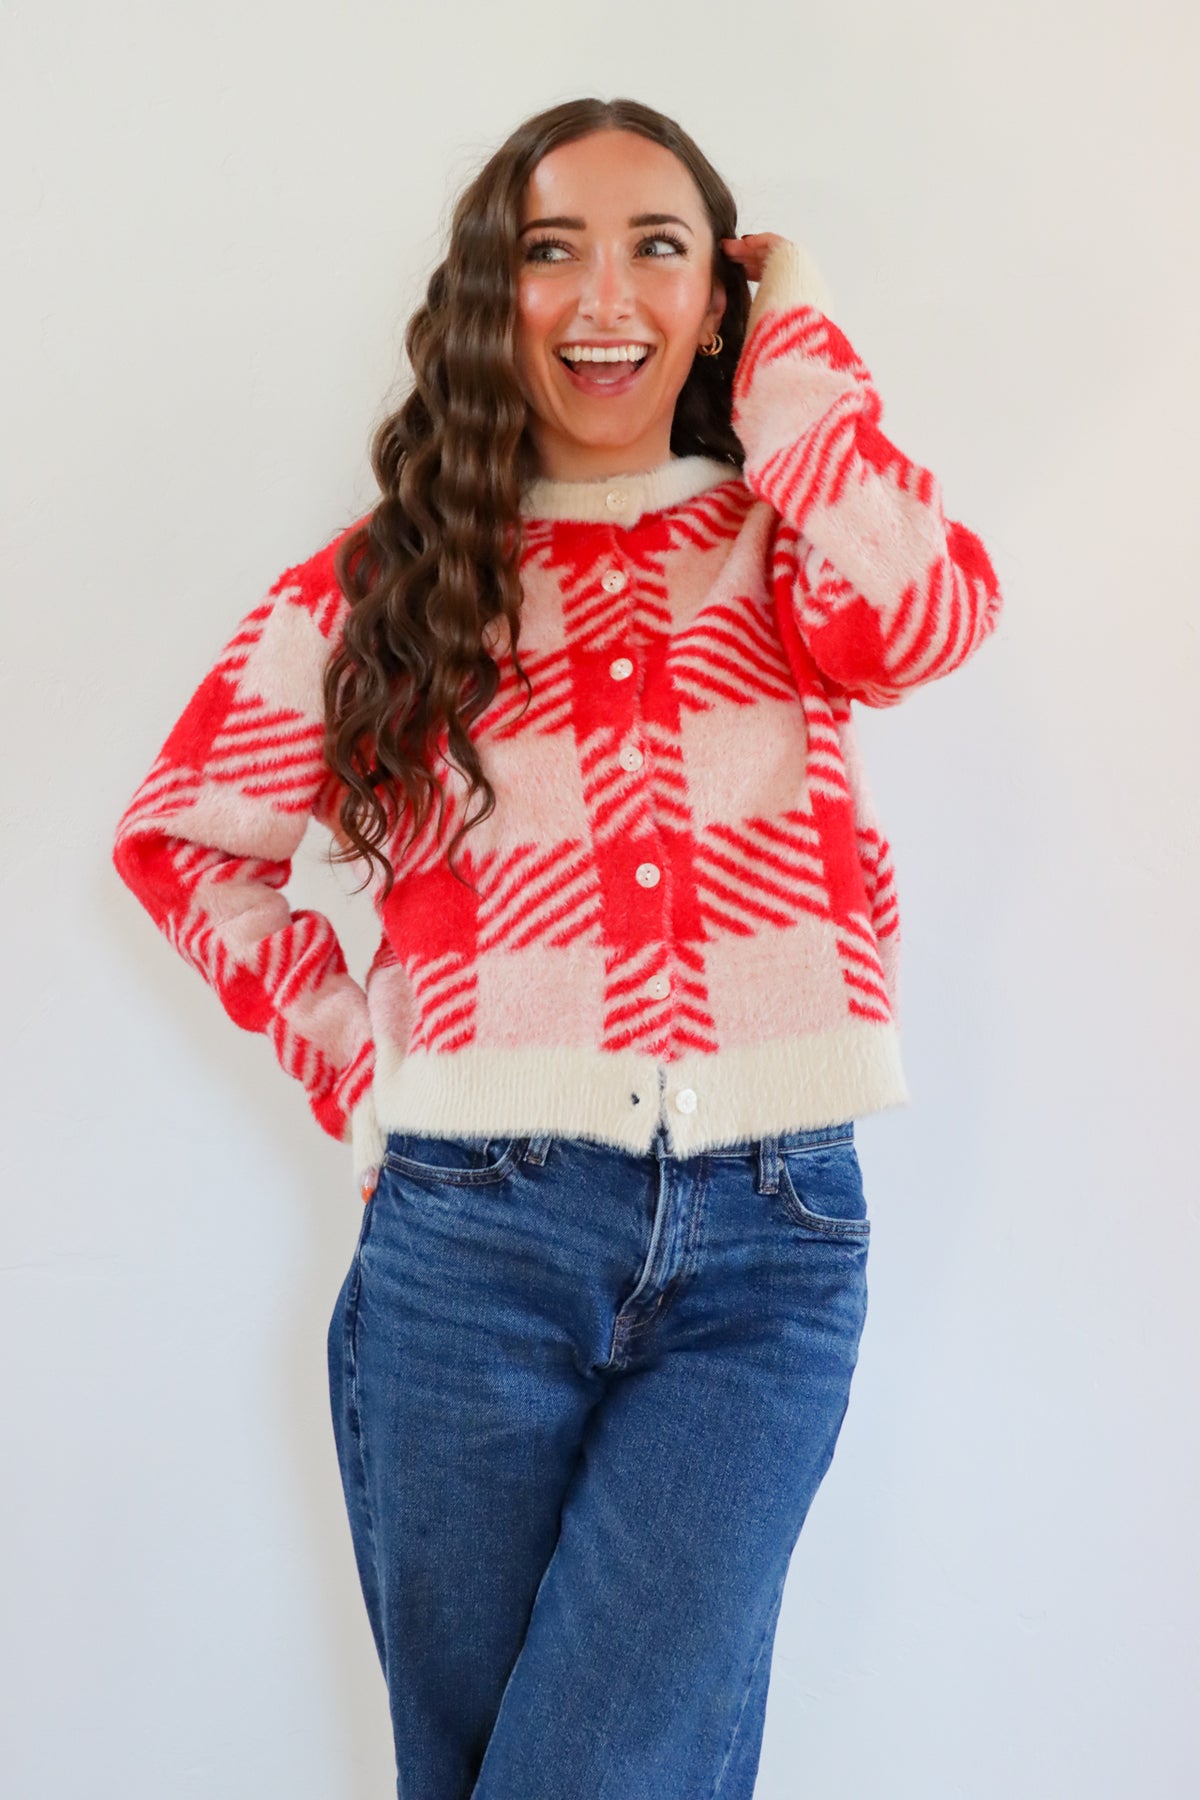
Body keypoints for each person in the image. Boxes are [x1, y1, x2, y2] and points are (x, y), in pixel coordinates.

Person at [112, 94, 1003, 1800]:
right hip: (473, 1242)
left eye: (659, 248)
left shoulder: (791, 553)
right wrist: (362, 1066)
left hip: (774, 1237)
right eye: (550, 249)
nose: (604, 293)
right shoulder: (386, 583)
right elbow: (183, 843)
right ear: (487, 294)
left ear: (716, 302)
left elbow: (923, 614)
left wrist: (801, 360)